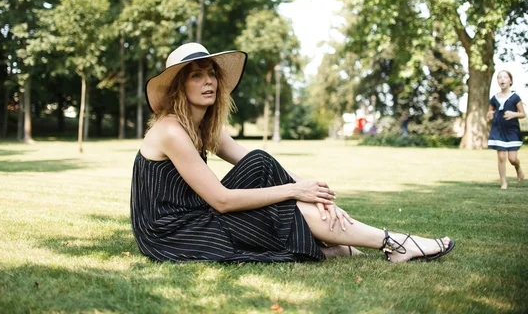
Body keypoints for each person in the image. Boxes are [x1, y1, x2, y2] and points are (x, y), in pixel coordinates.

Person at [131, 42, 455, 263]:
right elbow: (221, 200)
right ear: (179, 87)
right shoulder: (171, 130)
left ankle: (348, 243)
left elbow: (257, 165)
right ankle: (394, 242)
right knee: (284, 203)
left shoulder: (204, 128)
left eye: (211, 73)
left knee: (260, 161)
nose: (209, 82)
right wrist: (294, 190)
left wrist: (315, 193)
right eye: (196, 75)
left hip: (196, 216)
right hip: (171, 232)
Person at [487, 70, 525, 189]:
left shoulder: (515, 97)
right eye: (499, 77)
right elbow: (490, 112)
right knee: (501, 157)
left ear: (510, 81)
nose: (502, 79)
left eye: (505, 77)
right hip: (498, 129)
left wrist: (513, 114)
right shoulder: (494, 98)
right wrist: (489, 115)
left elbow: (523, 114)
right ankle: (503, 182)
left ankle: (518, 168)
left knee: (512, 159)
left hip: (512, 130)